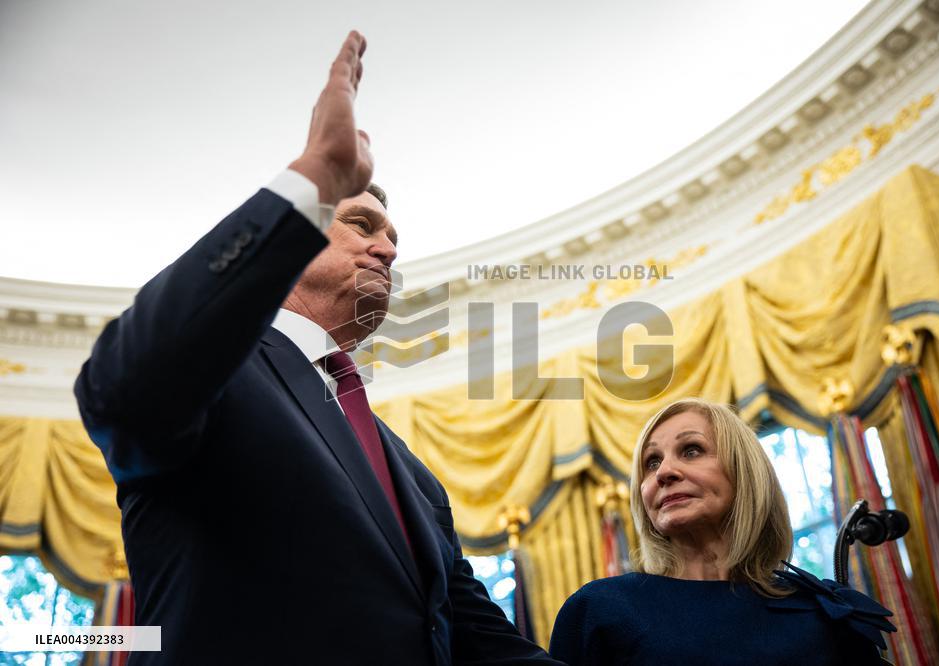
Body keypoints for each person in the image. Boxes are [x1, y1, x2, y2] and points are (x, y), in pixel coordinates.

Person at [75, 31, 560, 665]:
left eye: (392, 238)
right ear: (295, 241)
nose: (387, 249)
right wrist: (317, 177)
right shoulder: (221, 374)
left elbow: (483, 644)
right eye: (360, 225)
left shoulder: (412, 475)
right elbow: (122, 387)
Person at [548, 398, 895, 665]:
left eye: (691, 450)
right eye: (651, 462)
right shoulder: (600, 610)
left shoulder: (822, 612)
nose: (664, 471)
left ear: (743, 472)